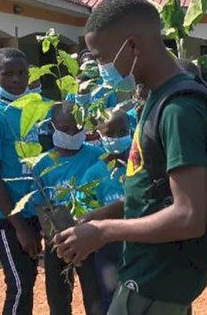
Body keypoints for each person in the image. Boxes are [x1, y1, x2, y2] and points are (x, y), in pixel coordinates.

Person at [53, 0, 207, 314]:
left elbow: (189, 216)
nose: (100, 68)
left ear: (134, 46)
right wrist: (103, 214)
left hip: (159, 282)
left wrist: (103, 232)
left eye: (101, 57)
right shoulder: (156, 99)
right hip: (144, 271)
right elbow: (158, 192)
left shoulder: (178, 109)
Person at [0, 48, 43, 315]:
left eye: (22, 73)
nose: (17, 79)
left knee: (29, 278)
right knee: (19, 284)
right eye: (8, 73)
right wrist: (19, 226)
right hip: (7, 215)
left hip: (34, 209)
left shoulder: (34, 108)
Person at [34, 101, 104, 315]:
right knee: (58, 297)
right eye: (65, 129)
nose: (72, 133)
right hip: (57, 239)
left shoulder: (96, 156)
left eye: (77, 128)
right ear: (52, 127)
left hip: (90, 238)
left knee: (95, 295)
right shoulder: (43, 163)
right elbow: (39, 202)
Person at [79, 110, 130, 314]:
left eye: (123, 132)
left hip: (140, 243)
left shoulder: (140, 167)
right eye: (110, 134)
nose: (117, 138)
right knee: (112, 297)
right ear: (99, 135)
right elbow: (85, 212)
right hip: (108, 248)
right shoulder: (93, 174)